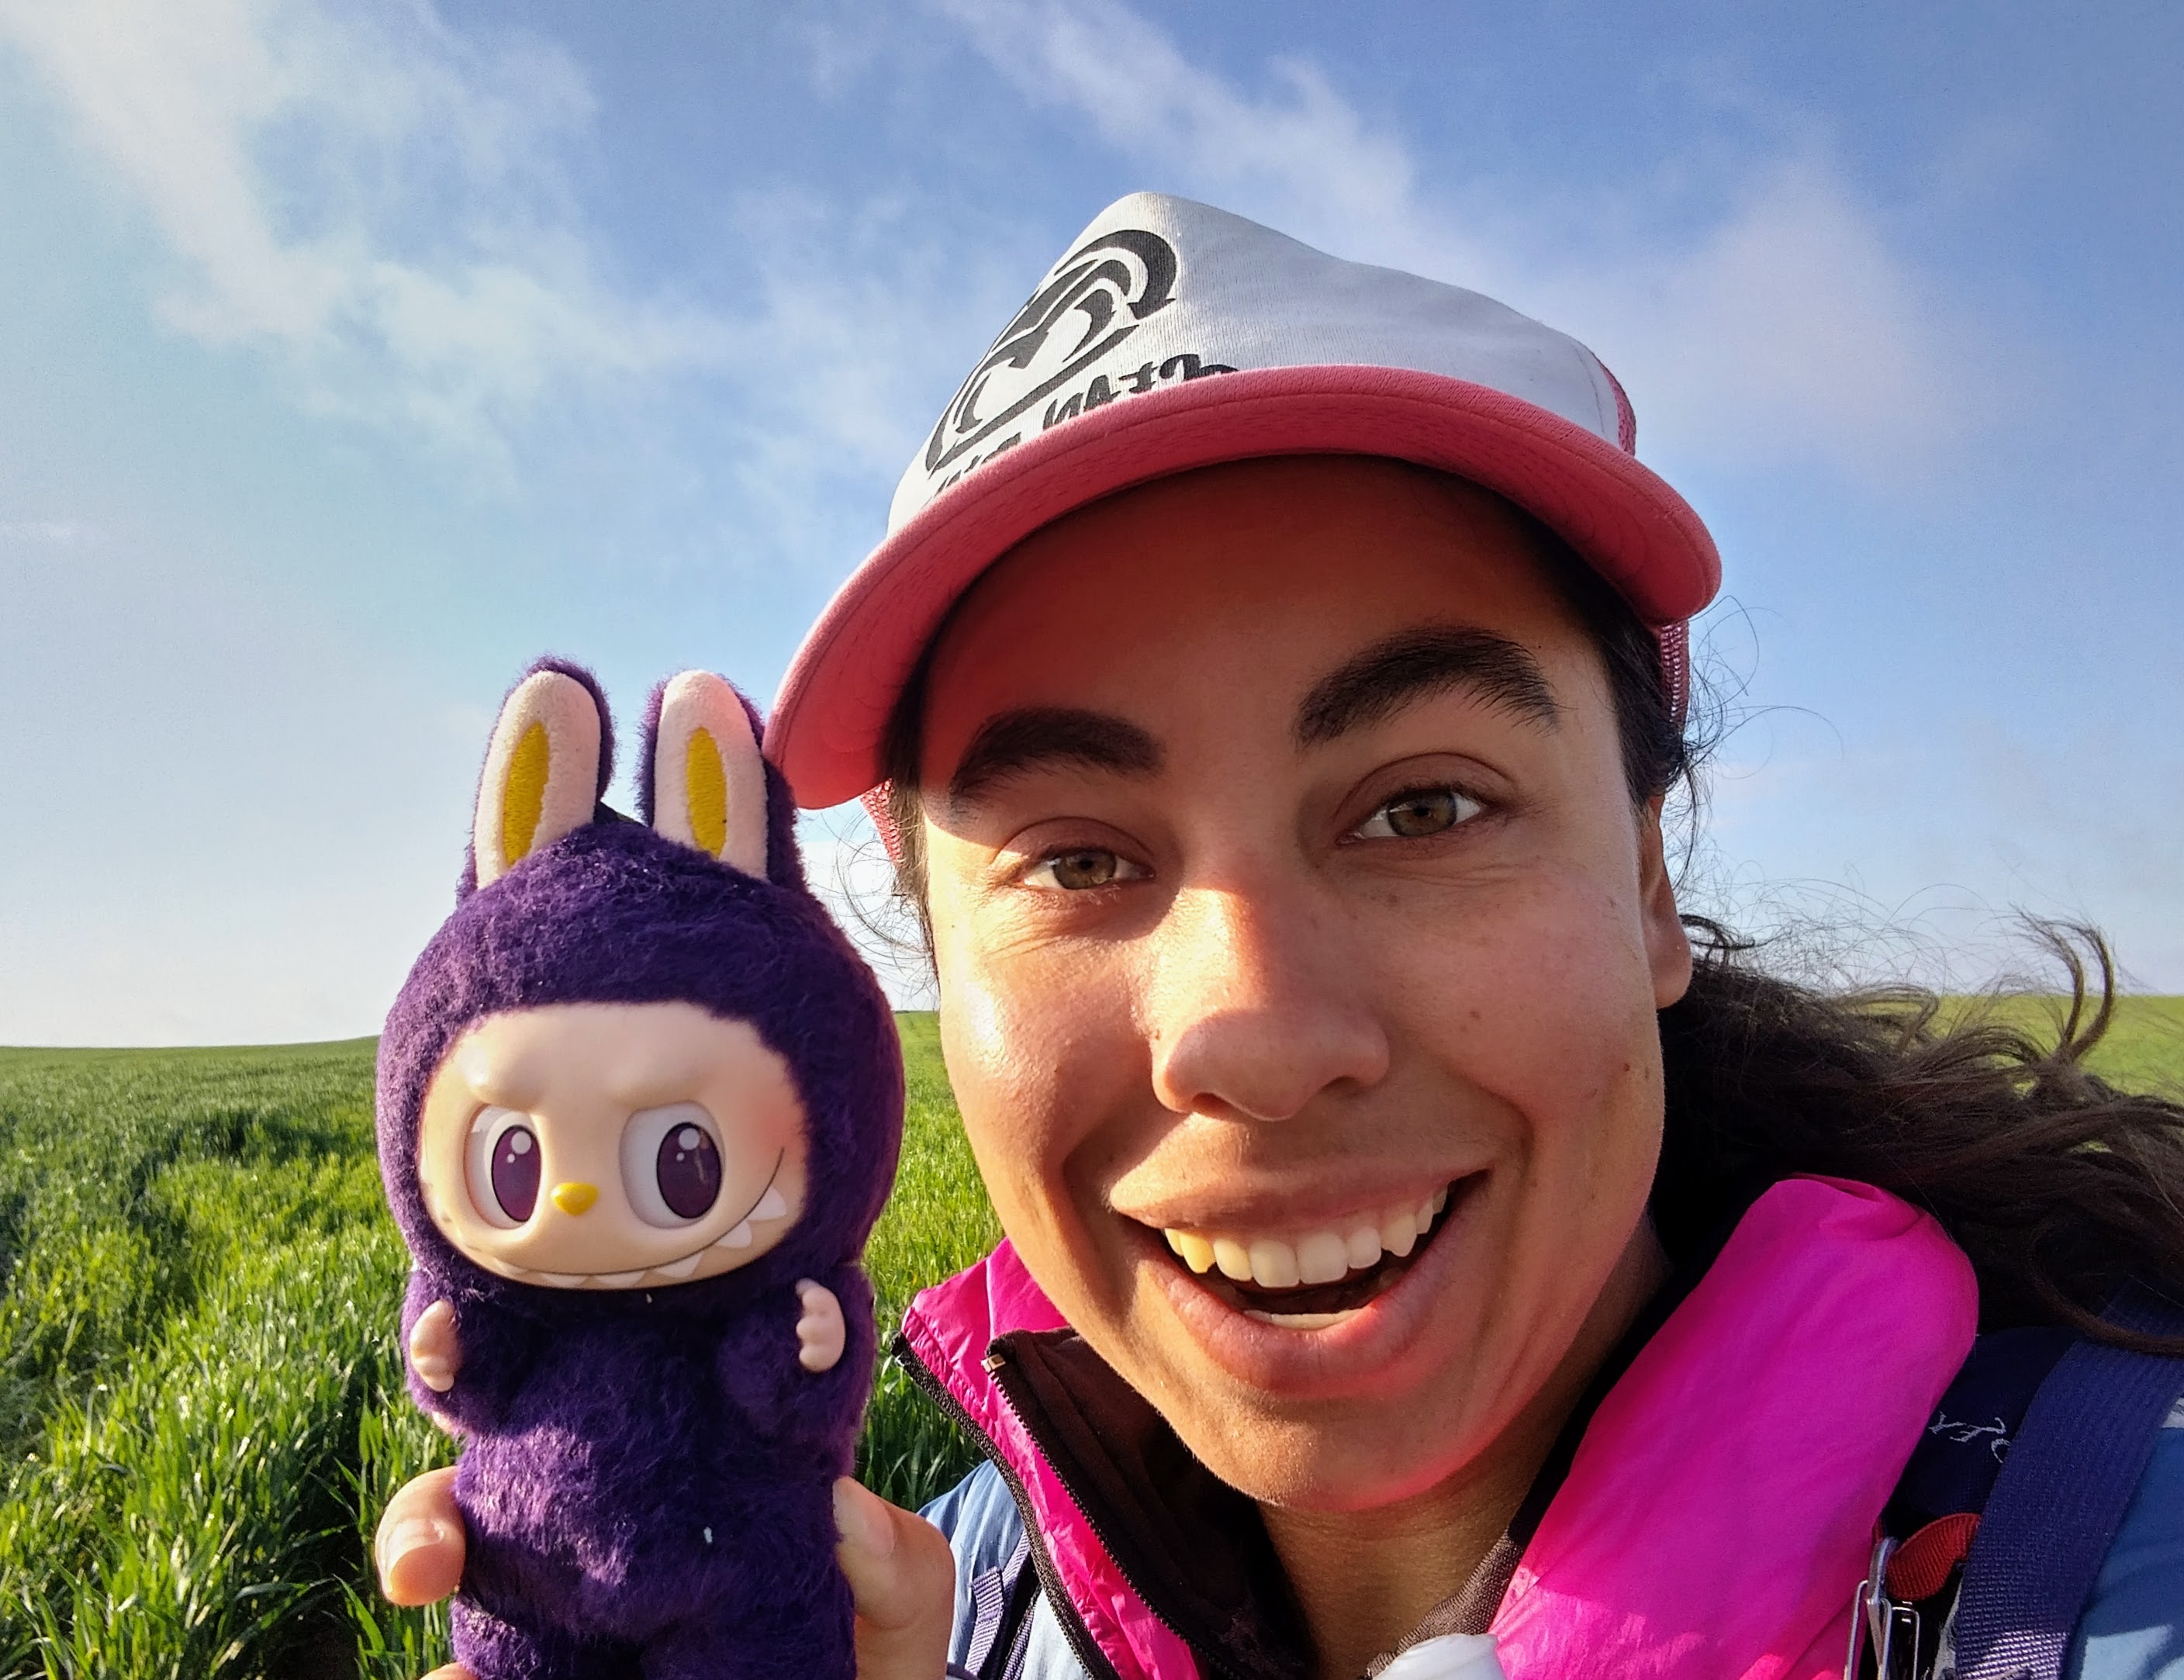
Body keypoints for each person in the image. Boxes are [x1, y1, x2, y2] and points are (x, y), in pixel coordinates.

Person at [377, 193, 2184, 1679]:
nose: (1247, 1031)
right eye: (1080, 858)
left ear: (1646, 885)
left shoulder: (2115, 1573)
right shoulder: (941, 1599)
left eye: (1423, 808)